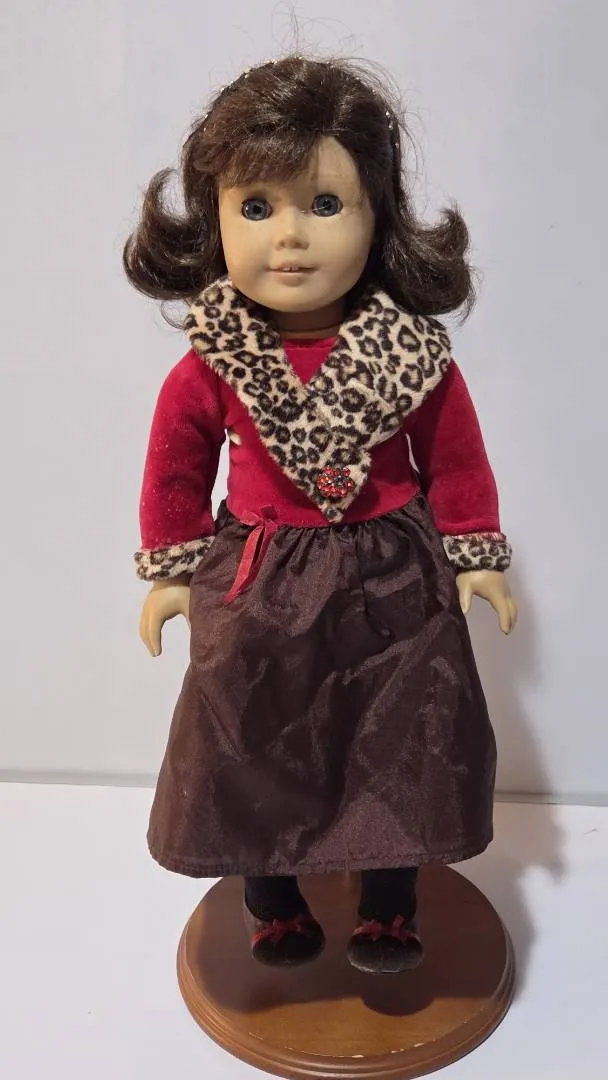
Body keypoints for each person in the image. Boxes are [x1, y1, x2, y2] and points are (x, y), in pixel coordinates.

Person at [124, 55, 517, 975]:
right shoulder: (214, 361)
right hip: (261, 579)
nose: (290, 237)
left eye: (326, 204)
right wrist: (173, 572)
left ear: (379, 217)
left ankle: (389, 902)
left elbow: (455, 458)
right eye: (257, 207)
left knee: (400, 736)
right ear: (213, 218)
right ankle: (272, 901)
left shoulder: (409, 356)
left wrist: (475, 554)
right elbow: (176, 468)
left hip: (393, 575)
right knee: (251, 737)